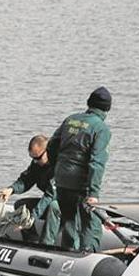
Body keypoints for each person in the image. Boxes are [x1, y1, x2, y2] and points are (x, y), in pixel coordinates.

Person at [48, 86, 113, 252]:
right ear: (107, 109)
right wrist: (93, 193)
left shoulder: (70, 119)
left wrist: (57, 168)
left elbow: (51, 145)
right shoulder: (101, 128)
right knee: (91, 223)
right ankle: (89, 255)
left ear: (89, 103)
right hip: (80, 184)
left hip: (62, 179)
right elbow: (96, 162)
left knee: (69, 220)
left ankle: (68, 253)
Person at [0, 135, 60, 245]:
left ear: (48, 151)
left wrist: (31, 219)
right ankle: (32, 240)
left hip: (66, 206)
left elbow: (49, 196)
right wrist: (11, 189)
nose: (35, 161)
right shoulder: (37, 164)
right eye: (33, 158)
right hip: (50, 201)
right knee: (21, 205)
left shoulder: (60, 165)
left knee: (53, 205)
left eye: (38, 158)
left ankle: (46, 244)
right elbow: (26, 180)